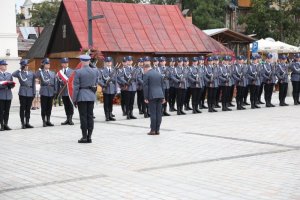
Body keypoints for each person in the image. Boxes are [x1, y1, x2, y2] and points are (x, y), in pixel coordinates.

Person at [73, 55, 99, 143]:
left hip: (82, 96)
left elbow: (76, 87)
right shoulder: (95, 71)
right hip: (91, 95)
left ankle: (84, 137)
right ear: (88, 61)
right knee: (90, 116)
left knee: (83, 117)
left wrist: (74, 99)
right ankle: (89, 137)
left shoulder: (78, 72)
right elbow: (96, 83)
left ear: (82, 61)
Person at [12, 59, 36, 129]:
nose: (26, 67)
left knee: (28, 108)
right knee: (22, 108)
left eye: (27, 65)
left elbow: (33, 83)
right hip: (22, 92)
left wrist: (34, 92)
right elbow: (13, 74)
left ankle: (27, 122)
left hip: (30, 92)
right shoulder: (19, 73)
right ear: (22, 66)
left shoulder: (31, 73)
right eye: (25, 66)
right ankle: (22, 123)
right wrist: (20, 69)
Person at [143, 63, 165, 135]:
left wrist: (145, 97)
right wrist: (163, 97)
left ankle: (152, 130)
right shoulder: (159, 74)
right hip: (160, 95)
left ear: (145, 68)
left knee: (153, 113)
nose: (144, 71)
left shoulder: (147, 74)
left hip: (152, 96)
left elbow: (145, 87)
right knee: (159, 113)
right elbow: (163, 86)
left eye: (144, 70)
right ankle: (157, 130)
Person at [36, 58, 57, 127]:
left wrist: (55, 91)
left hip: (51, 91)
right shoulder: (41, 72)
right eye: (46, 64)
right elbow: (36, 76)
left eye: (49, 64)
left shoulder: (52, 73)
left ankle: (48, 120)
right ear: (44, 65)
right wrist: (40, 68)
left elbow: (55, 82)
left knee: (49, 107)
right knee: (44, 107)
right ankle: (44, 121)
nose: (48, 65)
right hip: (44, 91)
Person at [98, 57, 117, 121]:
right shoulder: (102, 70)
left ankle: (110, 114)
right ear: (105, 63)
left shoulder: (113, 70)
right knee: (106, 103)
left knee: (111, 103)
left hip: (112, 88)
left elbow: (116, 81)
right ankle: (107, 116)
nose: (109, 63)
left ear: (111, 63)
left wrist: (116, 89)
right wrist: (103, 85)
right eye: (107, 62)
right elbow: (99, 80)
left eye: (110, 62)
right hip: (106, 89)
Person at [57, 58, 74, 125]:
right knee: (66, 105)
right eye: (64, 63)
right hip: (63, 91)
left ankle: (70, 119)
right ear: (62, 64)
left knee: (70, 105)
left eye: (67, 63)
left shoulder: (72, 71)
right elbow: (58, 81)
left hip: (70, 91)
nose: (66, 64)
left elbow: (73, 81)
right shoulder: (60, 72)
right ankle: (67, 118)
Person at [0, 60, 15, 131]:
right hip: (1, 95)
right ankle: (1, 125)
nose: (5, 66)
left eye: (6, 65)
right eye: (4, 65)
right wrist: (4, 85)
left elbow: (12, 84)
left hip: (8, 95)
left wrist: (11, 85)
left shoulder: (9, 74)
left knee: (7, 111)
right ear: (0, 66)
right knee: (1, 111)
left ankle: (6, 124)